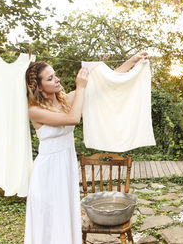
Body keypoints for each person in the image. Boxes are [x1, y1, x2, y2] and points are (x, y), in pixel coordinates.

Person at [24, 52, 148, 244]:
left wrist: (131, 62)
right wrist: (80, 87)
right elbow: (73, 118)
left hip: (66, 166)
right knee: (49, 220)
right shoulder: (35, 111)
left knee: (65, 216)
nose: (57, 80)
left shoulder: (64, 101)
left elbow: (105, 84)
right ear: (39, 87)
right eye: (50, 78)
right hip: (48, 172)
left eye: (55, 75)